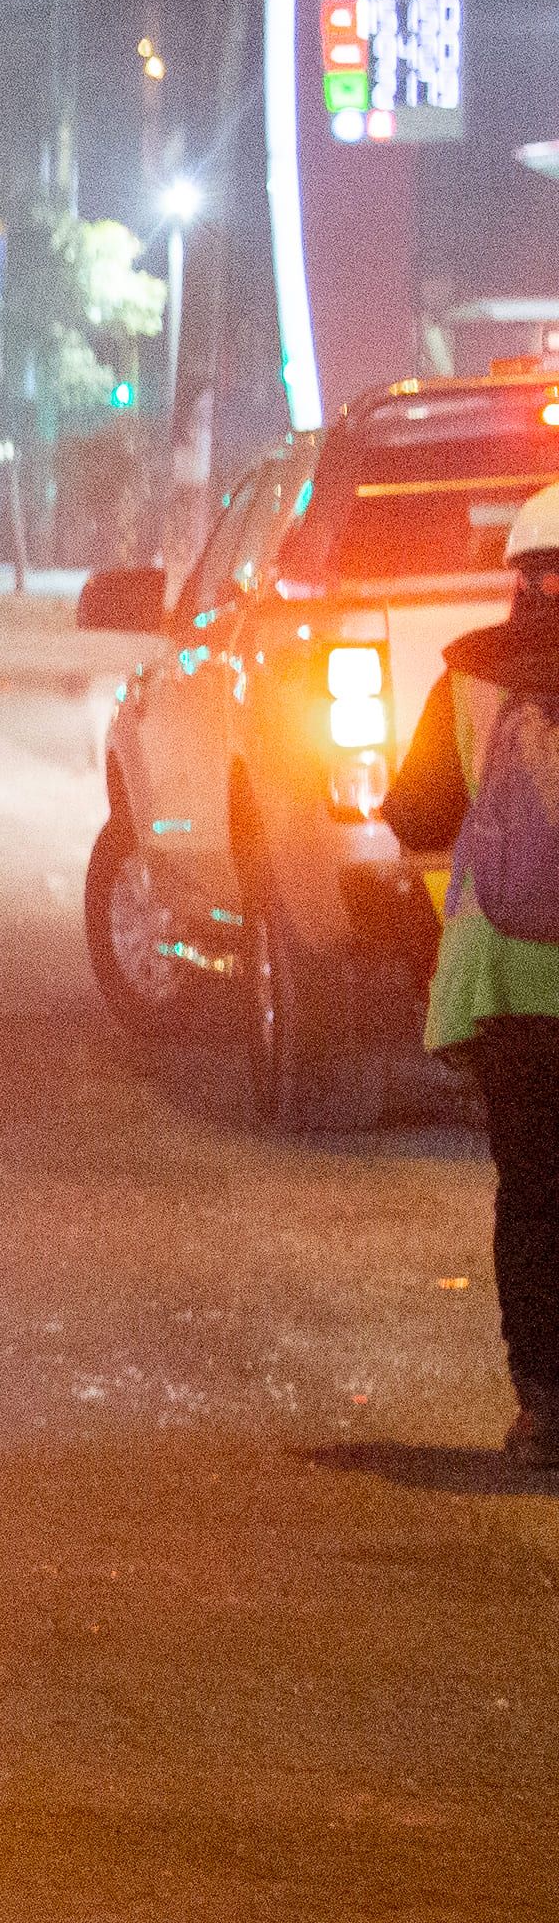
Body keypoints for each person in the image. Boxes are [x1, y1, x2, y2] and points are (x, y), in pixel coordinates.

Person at [374, 491, 559, 1470]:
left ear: (518, 576)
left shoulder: (469, 675)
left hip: (507, 983)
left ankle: (543, 1408)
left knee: (531, 1193)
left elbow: (414, 817)